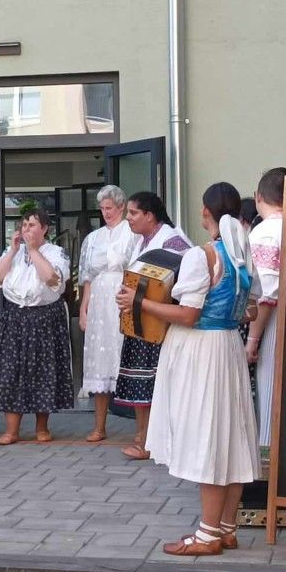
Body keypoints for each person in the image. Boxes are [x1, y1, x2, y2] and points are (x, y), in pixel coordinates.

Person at [144, 182, 260, 555]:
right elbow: (251, 310)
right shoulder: (242, 255)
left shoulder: (203, 256)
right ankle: (225, 528)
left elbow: (189, 315)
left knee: (207, 436)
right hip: (228, 346)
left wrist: (141, 302)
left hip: (202, 352)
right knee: (230, 438)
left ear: (205, 212)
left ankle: (208, 535)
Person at [113, 191, 192, 460]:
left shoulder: (174, 243)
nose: (128, 218)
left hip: (160, 325)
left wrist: (140, 298)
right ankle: (143, 436)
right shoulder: (142, 242)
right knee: (141, 382)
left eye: (133, 213)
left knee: (157, 384)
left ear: (150, 215)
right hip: (141, 324)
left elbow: (180, 284)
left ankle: (154, 441)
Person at [0, 210, 75, 445]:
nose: (26, 229)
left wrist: (34, 251)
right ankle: (11, 430)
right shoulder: (13, 252)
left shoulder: (56, 252)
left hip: (44, 316)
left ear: (44, 229)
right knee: (10, 371)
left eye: (32, 225)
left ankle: (42, 427)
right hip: (15, 316)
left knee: (42, 370)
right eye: (24, 225)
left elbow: (52, 279)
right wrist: (13, 251)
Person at [78, 185, 135, 442]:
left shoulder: (131, 233)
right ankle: (99, 426)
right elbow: (87, 278)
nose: (106, 213)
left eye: (110, 208)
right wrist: (84, 308)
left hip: (122, 296)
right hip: (99, 300)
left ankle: (141, 430)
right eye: (102, 208)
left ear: (121, 207)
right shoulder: (93, 238)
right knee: (100, 360)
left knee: (126, 355)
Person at [247, 167, 286, 456]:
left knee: (270, 390)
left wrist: (252, 340)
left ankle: (270, 462)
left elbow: (266, 294)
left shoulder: (264, 232)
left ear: (258, 196)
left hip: (276, 322)